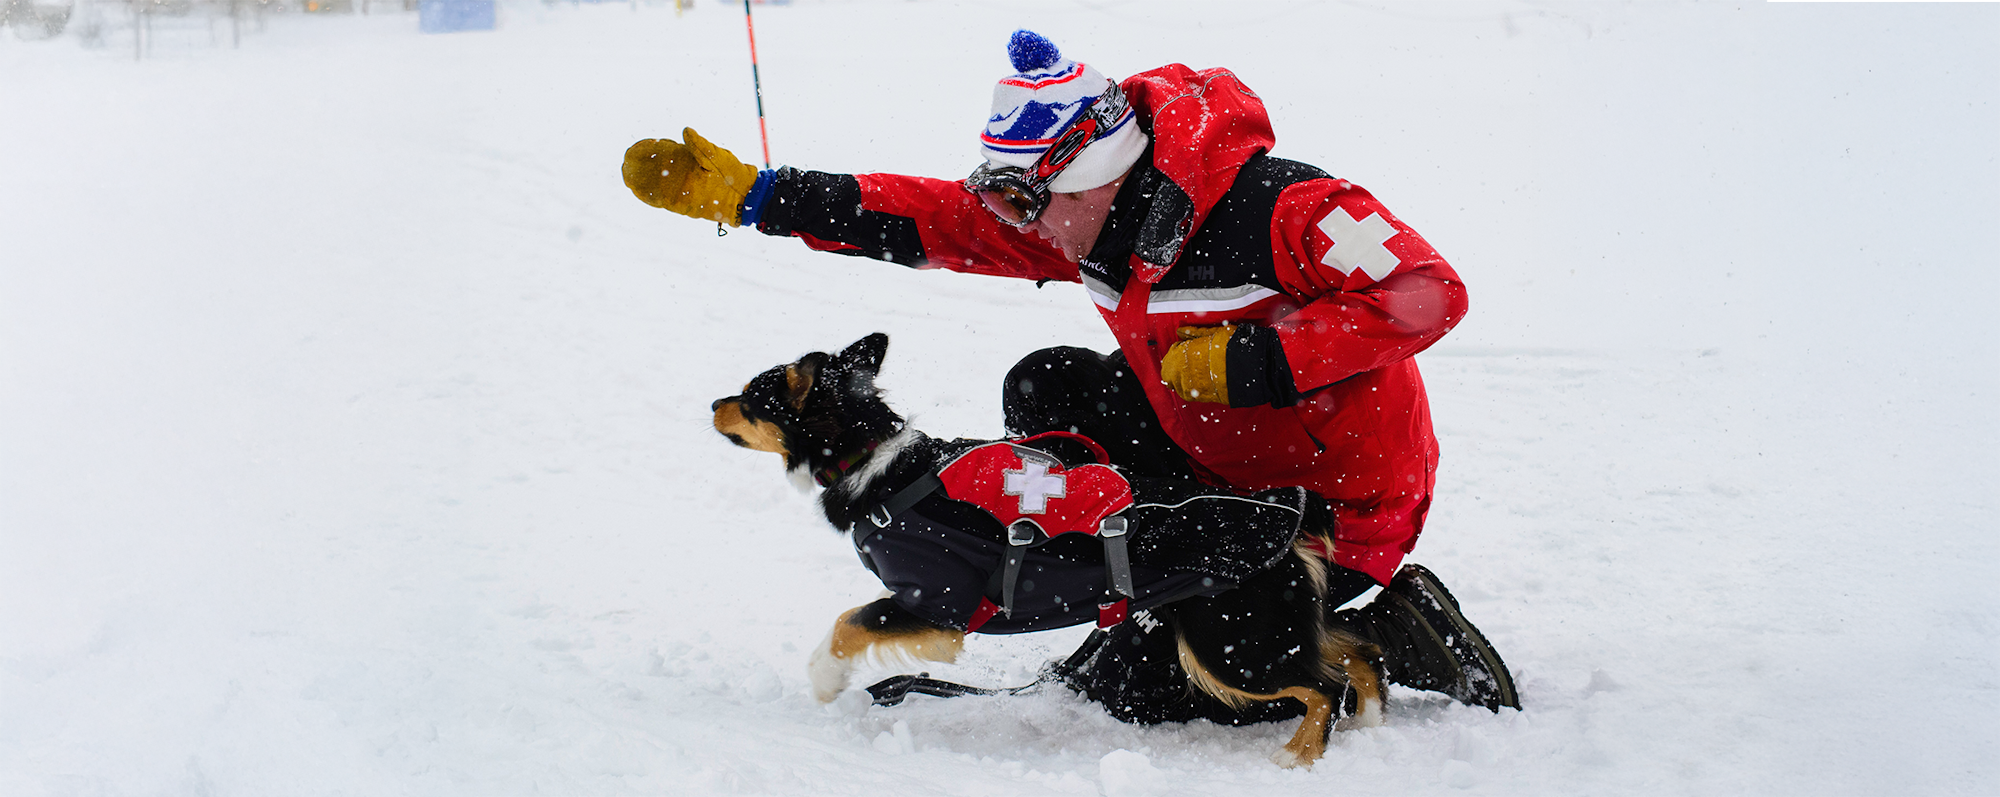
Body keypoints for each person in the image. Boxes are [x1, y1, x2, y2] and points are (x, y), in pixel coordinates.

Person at [623, 30, 1518, 721]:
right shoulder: (1090, 221)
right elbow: (940, 220)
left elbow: (1429, 290)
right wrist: (765, 197)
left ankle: (1374, 624)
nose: (1017, 221)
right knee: (1046, 387)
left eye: (1023, 199)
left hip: (1330, 504)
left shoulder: (1281, 206)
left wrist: (1263, 357)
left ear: (1093, 173)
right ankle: (1133, 575)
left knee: (1143, 690)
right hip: (1211, 466)